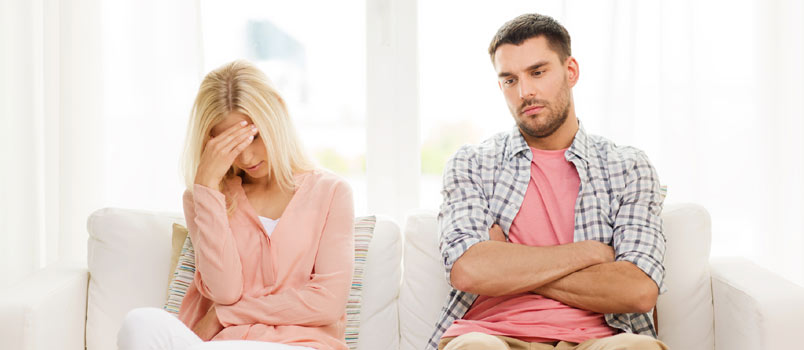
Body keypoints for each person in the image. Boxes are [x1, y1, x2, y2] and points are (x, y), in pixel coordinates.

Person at [428, 13, 669, 350]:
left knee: (636, 349)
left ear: (570, 72)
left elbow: (638, 291)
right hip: (494, 335)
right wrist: (590, 254)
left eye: (537, 72)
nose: (525, 91)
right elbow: (468, 271)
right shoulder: (472, 163)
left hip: (600, 339)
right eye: (510, 80)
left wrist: (509, 262)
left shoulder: (627, 167)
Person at [117, 60, 355, 350]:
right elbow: (226, 290)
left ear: (277, 115)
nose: (246, 157)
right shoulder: (204, 199)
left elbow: (327, 303)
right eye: (230, 145)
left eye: (253, 137)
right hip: (219, 345)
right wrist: (206, 188)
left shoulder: (331, 192)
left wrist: (224, 315)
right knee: (140, 323)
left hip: (301, 346)